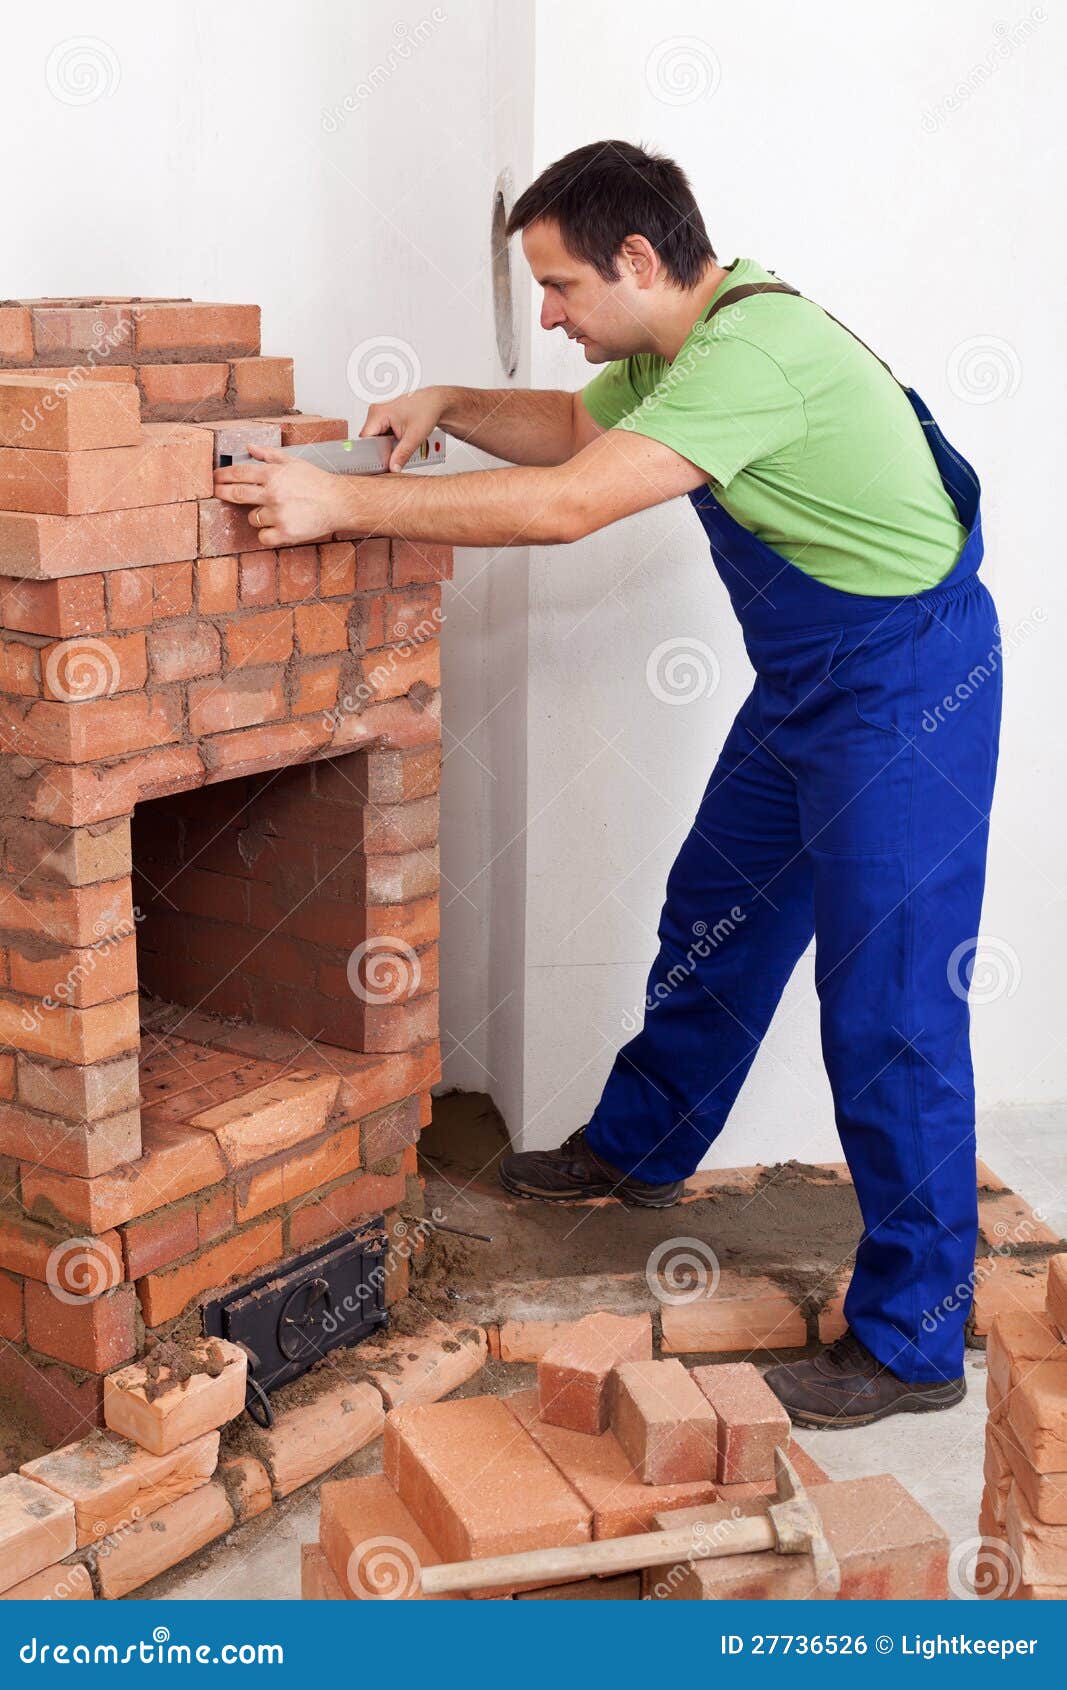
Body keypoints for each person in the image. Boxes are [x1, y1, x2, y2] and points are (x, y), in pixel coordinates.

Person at [214, 140, 1001, 1429]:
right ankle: (638, 1150)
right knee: (719, 910)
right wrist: (452, 403)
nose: (551, 315)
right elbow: (578, 430)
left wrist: (341, 509)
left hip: (906, 688)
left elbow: (570, 504)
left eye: (561, 287)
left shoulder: (754, 359)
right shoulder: (670, 350)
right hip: (815, 677)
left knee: (893, 1005)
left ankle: (911, 1341)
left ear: (640, 261)